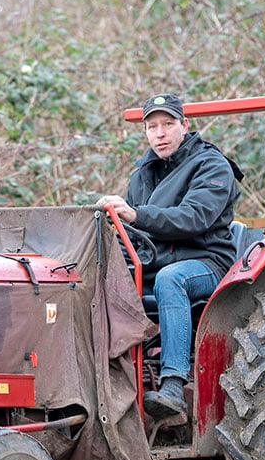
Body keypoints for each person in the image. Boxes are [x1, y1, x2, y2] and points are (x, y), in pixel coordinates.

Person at [99, 93, 241, 421]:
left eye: (167, 124)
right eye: (152, 127)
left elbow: (194, 217)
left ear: (184, 126)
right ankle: (107, 381)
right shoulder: (144, 174)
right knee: (97, 274)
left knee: (171, 278)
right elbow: (132, 237)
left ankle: (173, 384)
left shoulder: (212, 165)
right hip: (154, 261)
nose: (159, 134)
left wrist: (135, 215)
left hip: (206, 264)